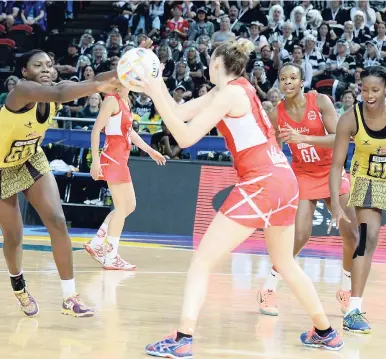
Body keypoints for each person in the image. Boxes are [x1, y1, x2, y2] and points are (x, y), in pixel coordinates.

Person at [129, 39, 343, 357]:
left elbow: (185, 137)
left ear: (217, 64)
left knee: (201, 261)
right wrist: (155, 80)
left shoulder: (229, 93)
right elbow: (176, 111)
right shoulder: (233, 89)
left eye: (209, 60)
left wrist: (154, 88)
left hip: (261, 181)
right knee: (284, 262)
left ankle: (183, 338)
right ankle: (325, 331)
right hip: (284, 180)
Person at [0, 49, 123, 317]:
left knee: (57, 220)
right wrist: (102, 83)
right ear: (24, 71)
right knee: (13, 237)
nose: (46, 69)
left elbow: (95, 79)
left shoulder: (60, 89)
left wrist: (127, 68)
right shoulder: (21, 91)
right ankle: (18, 284)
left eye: (49, 64)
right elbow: (60, 94)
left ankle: (70, 298)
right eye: (37, 65)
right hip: (1, 167)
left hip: (30, 157)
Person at [258, 63, 358, 316]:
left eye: (293, 78)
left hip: (331, 170)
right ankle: (268, 288)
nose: (288, 82)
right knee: (300, 235)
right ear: (279, 83)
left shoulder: (320, 101)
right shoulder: (276, 114)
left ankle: (346, 290)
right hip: (302, 174)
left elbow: (340, 138)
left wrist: (304, 138)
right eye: (283, 79)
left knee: (352, 234)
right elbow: (273, 150)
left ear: (302, 81)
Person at [329, 65, 386, 333]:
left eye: (375, 89)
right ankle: (353, 309)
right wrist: (336, 204)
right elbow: (336, 165)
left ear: (385, 89)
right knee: (368, 237)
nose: (369, 94)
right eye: (365, 90)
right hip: (366, 180)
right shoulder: (349, 119)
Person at [84, 88, 166, 270]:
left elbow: (130, 133)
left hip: (120, 158)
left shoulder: (125, 100)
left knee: (129, 206)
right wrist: (95, 160)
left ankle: (98, 242)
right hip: (112, 158)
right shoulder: (111, 100)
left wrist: (150, 151)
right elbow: (96, 130)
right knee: (122, 207)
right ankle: (111, 256)